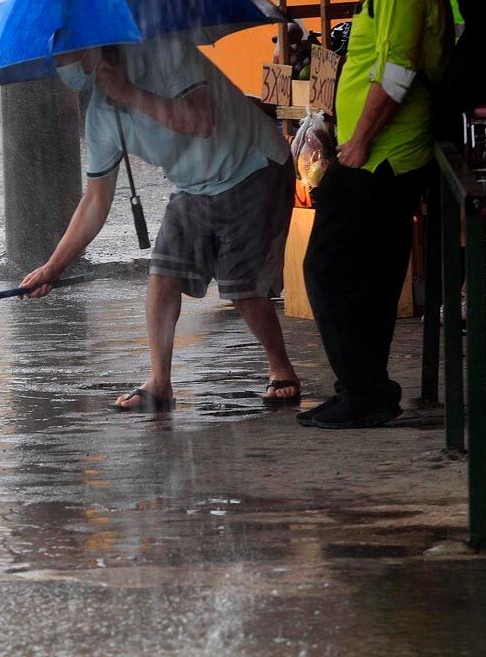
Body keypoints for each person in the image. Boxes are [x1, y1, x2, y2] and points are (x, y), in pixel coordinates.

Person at [20, 38, 299, 410]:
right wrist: (54, 267)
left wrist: (131, 93)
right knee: (162, 276)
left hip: (251, 165)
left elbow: (201, 122)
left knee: (241, 286)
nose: (62, 67)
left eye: (64, 54)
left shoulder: (166, 52)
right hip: (192, 185)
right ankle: (160, 383)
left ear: (91, 45)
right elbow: (96, 200)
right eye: (55, 59)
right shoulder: (101, 115)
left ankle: (281, 367)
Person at [301, 0, 452, 430]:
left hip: (383, 159)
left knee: (327, 269)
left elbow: (396, 73)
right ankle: (364, 390)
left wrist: (360, 140)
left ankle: (364, 390)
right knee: (369, 277)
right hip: (379, 157)